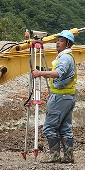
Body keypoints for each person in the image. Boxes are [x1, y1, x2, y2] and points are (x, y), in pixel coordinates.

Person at [32, 30, 77, 163]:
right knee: (64, 128)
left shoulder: (65, 58)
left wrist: (39, 73)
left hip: (61, 97)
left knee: (49, 127)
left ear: (68, 43)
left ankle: (55, 156)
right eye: (57, 40)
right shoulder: (67, 57)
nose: (58, 43)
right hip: (67, 95)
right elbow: (57, 74)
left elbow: (58, 73)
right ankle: (68, 156)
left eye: (61, 41)